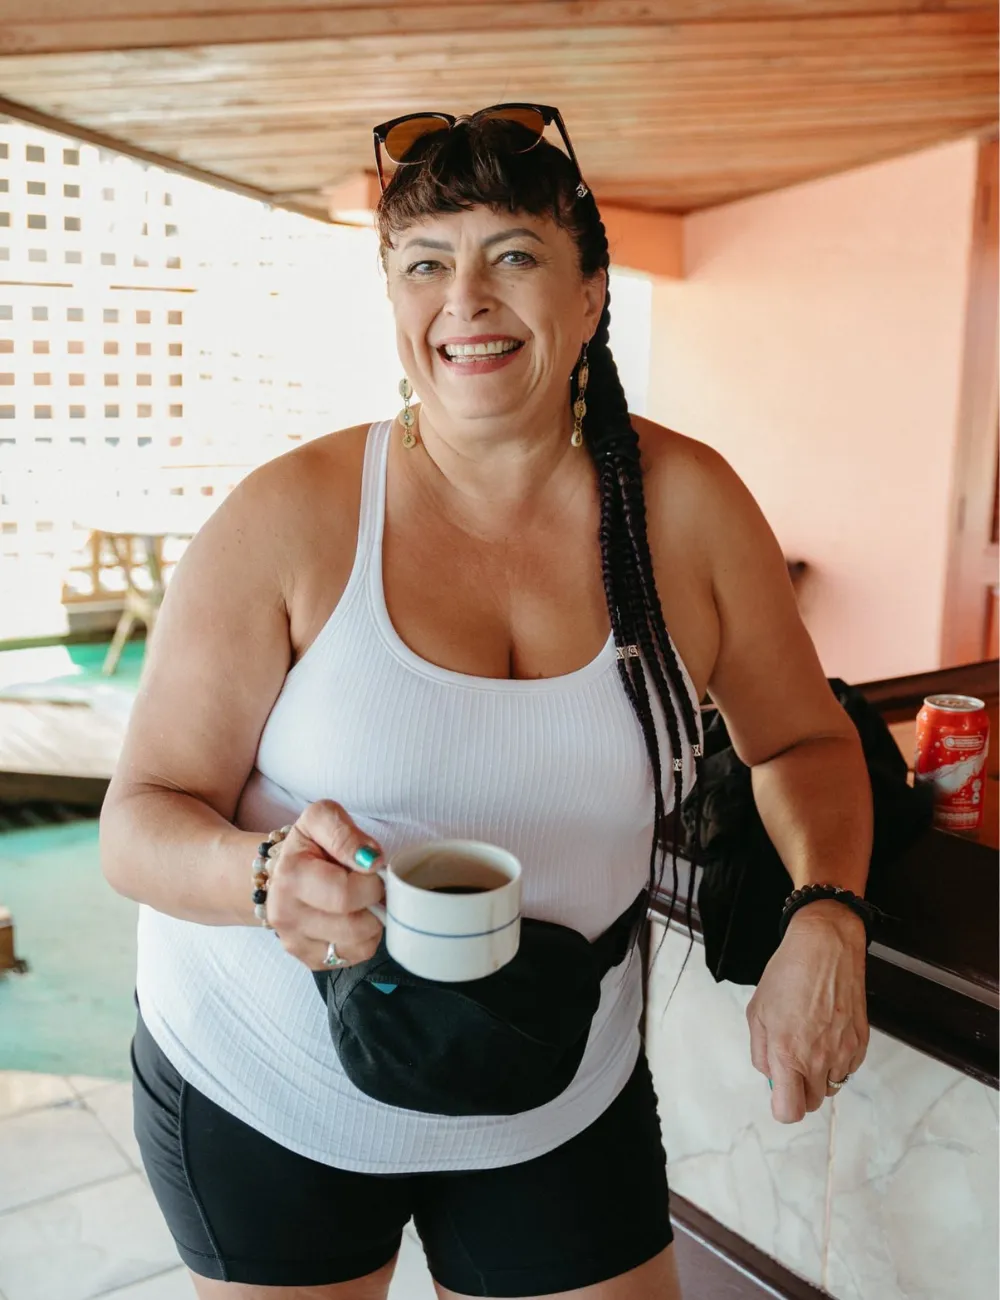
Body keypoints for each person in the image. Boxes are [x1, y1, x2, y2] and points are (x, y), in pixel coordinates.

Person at [101, 104, 873, 1300]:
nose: (463, 298)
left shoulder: (689, 506)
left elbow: (802, 741)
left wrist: (825, 913)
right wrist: (261, 878)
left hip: (557, 1085)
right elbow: (138, 819)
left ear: (591, 295)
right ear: (392, 297)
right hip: (272, 1082)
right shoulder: (291, 516)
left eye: (511, 254)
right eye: (424, 264)